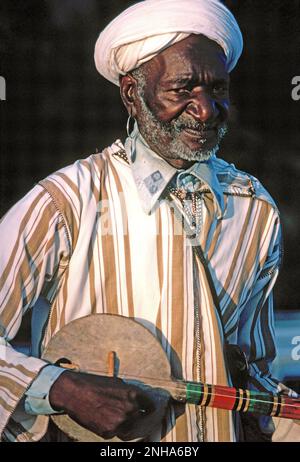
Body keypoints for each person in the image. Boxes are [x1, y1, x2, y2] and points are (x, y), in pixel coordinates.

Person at [0, 0, 291, 442]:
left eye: (217, 89)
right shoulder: (68, 201)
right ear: (131, 94)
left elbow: (252, 376)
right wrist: (60, 388)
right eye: (182, 90)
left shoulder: (253, 210)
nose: (207, 110)